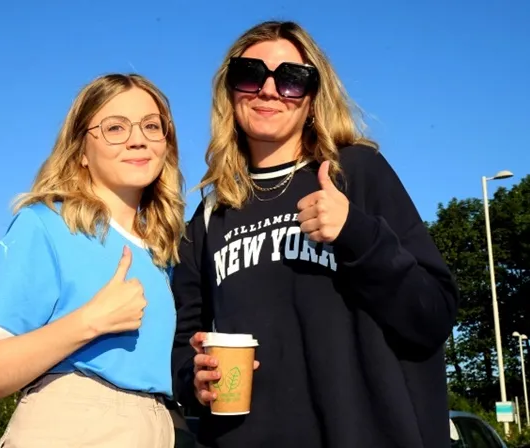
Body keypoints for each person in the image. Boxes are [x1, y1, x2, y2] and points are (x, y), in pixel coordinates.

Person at [171, 20, 459, 448]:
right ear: (229, 91)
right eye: (250, 75)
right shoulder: (212, 214)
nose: (268, 91)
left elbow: (432, 316)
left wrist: (357, 234)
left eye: (291, 79)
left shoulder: (354, 173)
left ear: (311, 98)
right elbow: (182, 342)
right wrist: (194, 378)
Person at [0, 73, 186, 447]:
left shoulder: (166, 254)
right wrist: (90, 321)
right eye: (115, 127)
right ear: (81, 150)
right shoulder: (46, 225)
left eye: (151, 126)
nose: (138, 139)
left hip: (158, 426)